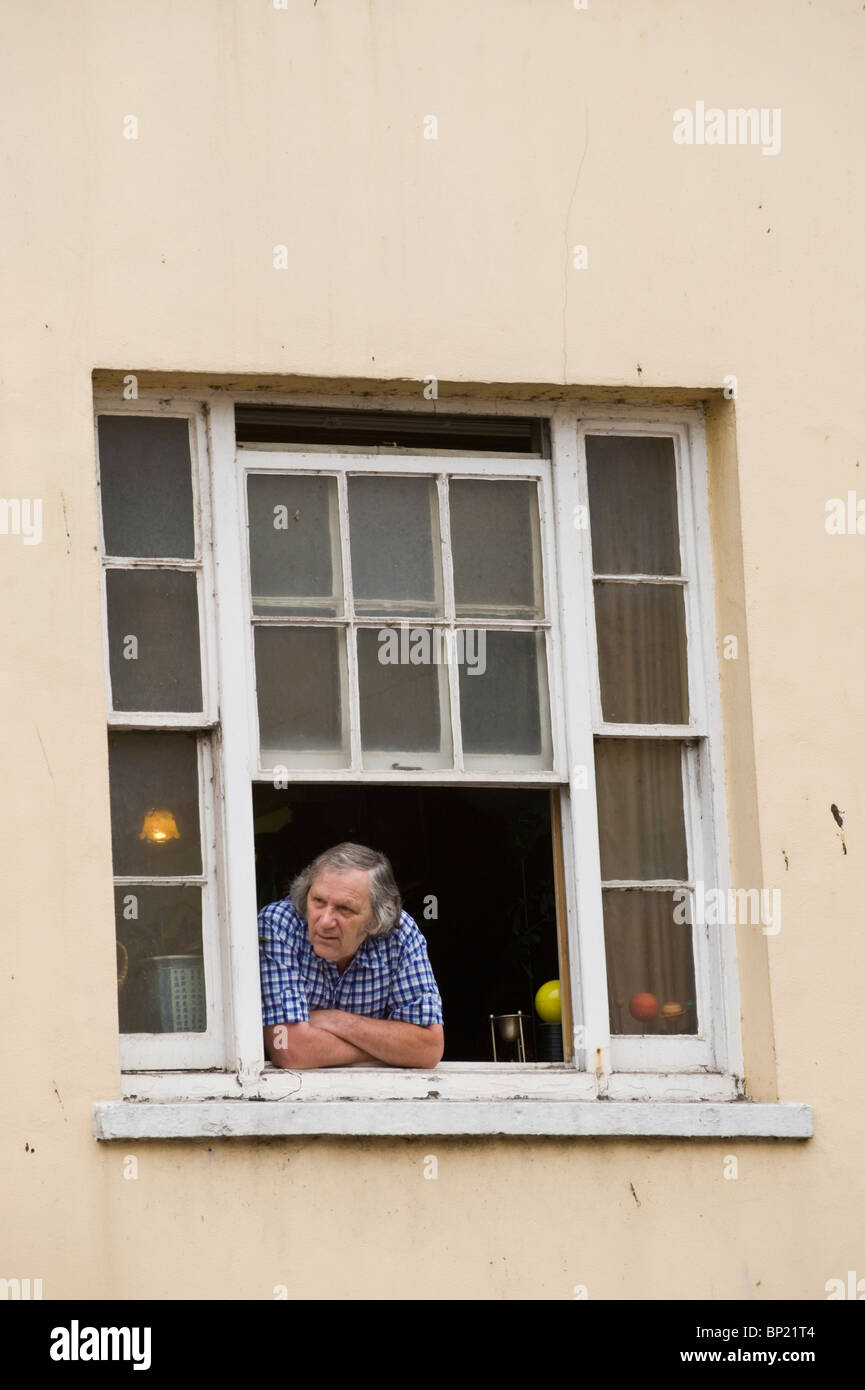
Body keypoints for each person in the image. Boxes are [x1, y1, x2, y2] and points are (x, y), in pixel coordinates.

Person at [258, 842, 444, 1069]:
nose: (325, 921)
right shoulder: (277, 925)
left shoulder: (400, 932)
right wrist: (390, 1049)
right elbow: (288, 1049)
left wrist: (336, 1020)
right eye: (318, 901)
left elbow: (428, 1048)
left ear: (376, 920)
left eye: (345, 909)